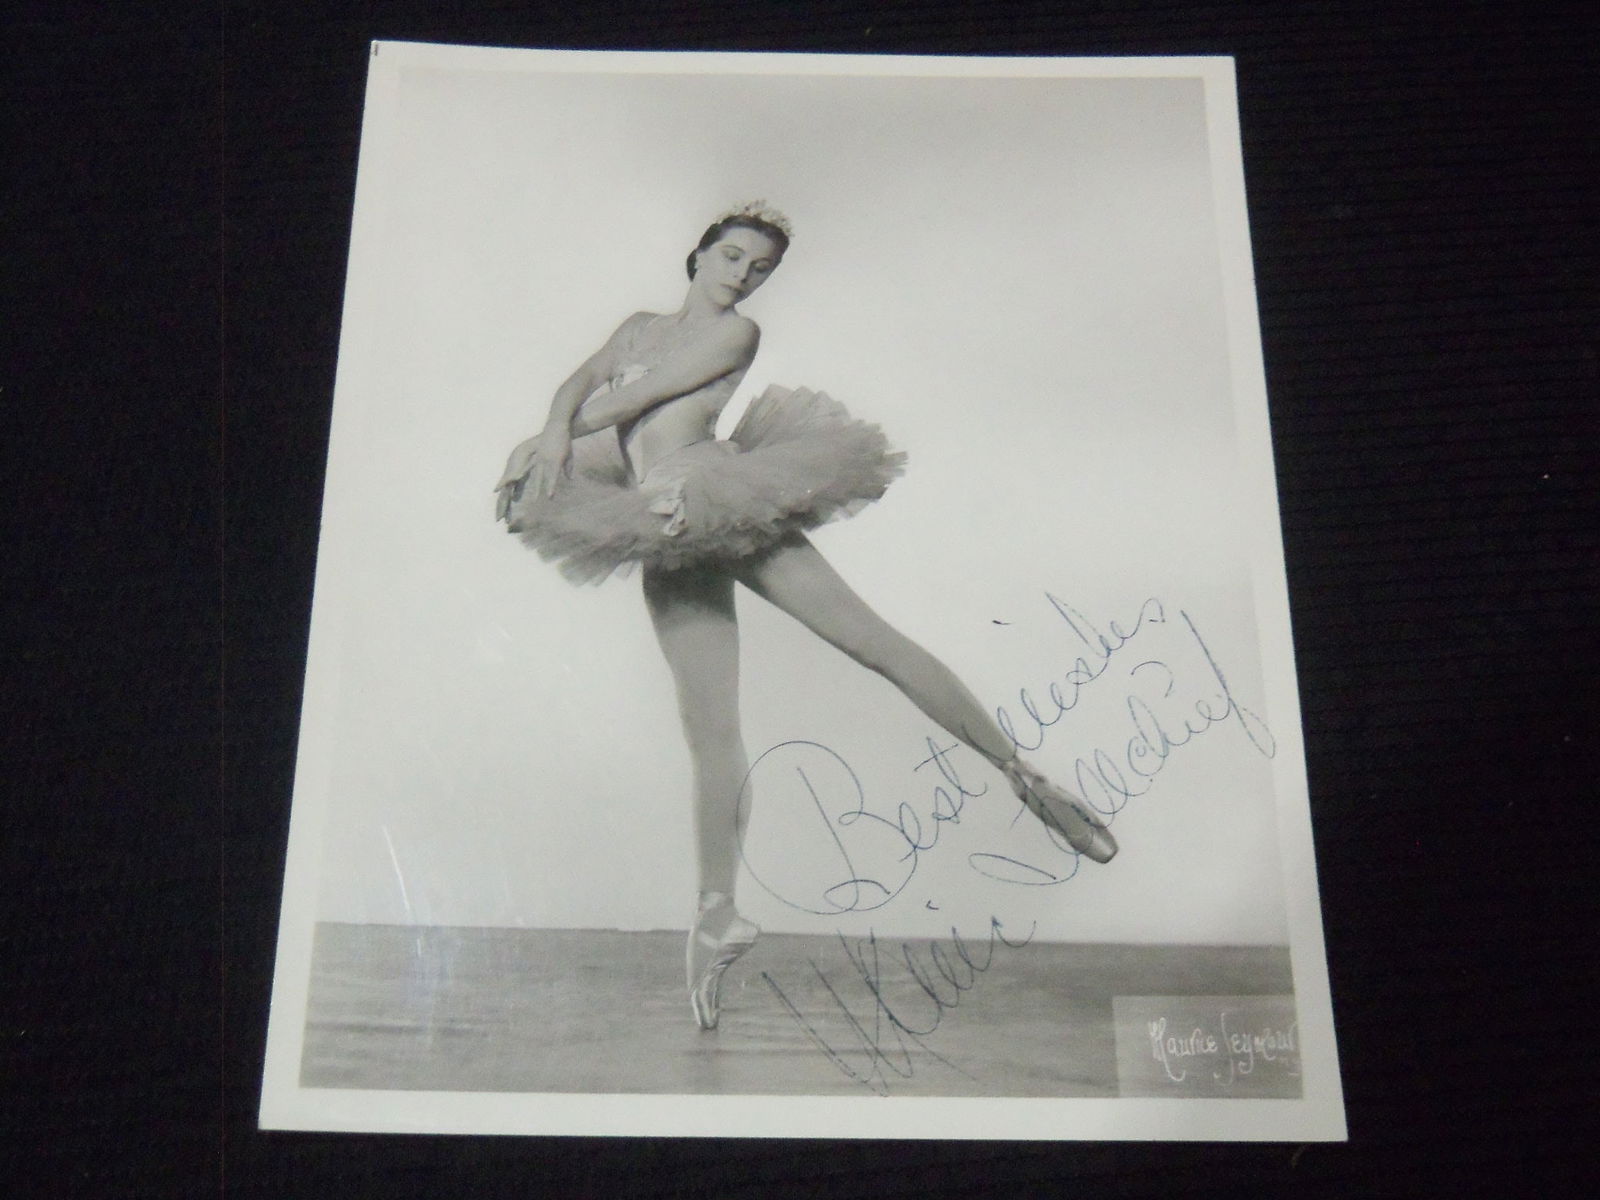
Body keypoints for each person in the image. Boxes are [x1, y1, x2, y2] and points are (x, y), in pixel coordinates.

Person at [495, 203, 1116, 1031]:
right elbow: (580, 387)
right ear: (699, 254)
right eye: (730, 256)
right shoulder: (639, 324)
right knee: (709, 729)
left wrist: (545, 442)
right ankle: (716, 911)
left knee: (871, 644)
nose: (742, 275)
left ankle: (1024, 775)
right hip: (657, 516)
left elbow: (622, 405)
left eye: (759, 268)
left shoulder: (734, 336)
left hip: (718, 495)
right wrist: (543, 439)